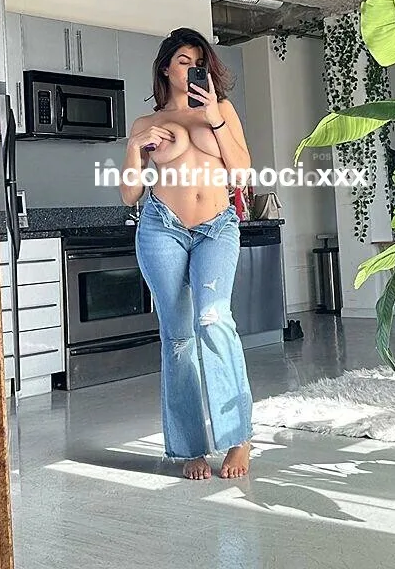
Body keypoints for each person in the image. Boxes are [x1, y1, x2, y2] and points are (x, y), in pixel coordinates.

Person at [120, 27, 254, 480]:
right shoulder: (147, 123)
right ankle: (189, 447)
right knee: (178, 338)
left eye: (199, 62)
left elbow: (242, 173)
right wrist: (134, 148)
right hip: (162, 228)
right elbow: (130, 194)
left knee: (214, 320)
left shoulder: (223, 111)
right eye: (183, 61)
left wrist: (214, 116)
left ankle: (238, 437)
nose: (192, 68)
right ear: (165, 68)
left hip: (216, 227)